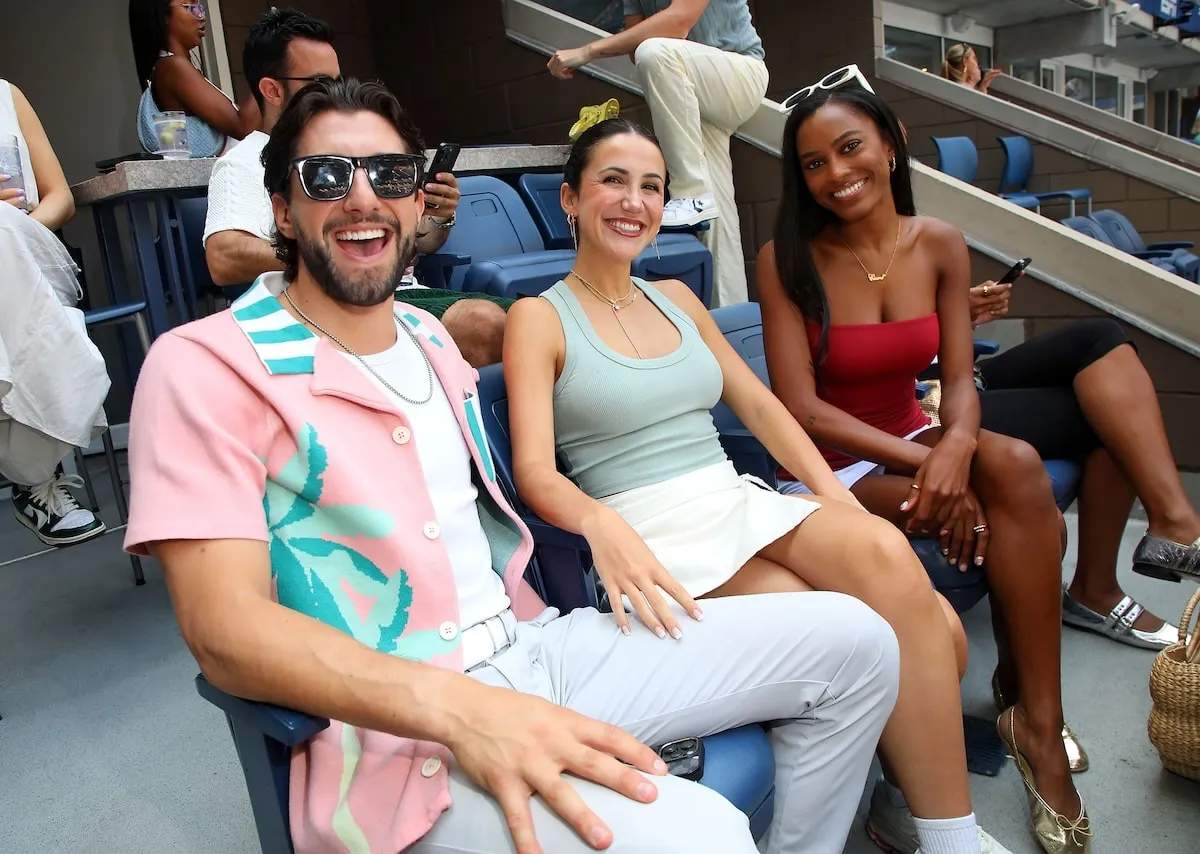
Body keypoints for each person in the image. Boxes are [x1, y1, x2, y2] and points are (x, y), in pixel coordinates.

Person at [125, 76, 901, 854]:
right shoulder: (206, 365)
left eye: (391, 176)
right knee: (706, 837)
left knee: (859, 643)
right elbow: (224, 630)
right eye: (328, 175)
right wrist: (464, 710)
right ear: (282, 208)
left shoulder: (431, 343)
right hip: (395, 735)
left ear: (418, 202)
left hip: (534, 649)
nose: (364, 198)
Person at [506, 117, 1016, 854]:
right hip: (653, 533)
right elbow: (535, 473)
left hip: (735, 498)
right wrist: (599, 525)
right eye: (613, 181)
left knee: (922, 609)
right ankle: (927, 825)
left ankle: (938, 828)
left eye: (651, 186)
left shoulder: (677, 298)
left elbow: (766, 412)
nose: (634, 201)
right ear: (570, 200)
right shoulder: (538, 317)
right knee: (903, 633)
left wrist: (836, 502)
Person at [757, 71, 1091, 854]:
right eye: (814, 164)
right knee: (996, 475)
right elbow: (800, 412)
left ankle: (1040, 724)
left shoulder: (939, 241)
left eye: (850, 149)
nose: (837, 174)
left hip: (917, 438)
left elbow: (957, 378)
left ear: (890, 144)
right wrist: (930, 466)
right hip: (830, 467)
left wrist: (955, 450)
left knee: (1010, 462)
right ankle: (1025, 717)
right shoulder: (786, 259)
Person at [202, 7, 508, 367]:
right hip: (335, 311)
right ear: (271, 90)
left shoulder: (356, 146)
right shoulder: (244, 160)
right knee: (493, 327)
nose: (333, 93)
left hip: (404, 295)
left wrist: (437, 217)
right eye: (319, 83)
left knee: (541, 321)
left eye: (337, 80)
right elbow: (223, 257)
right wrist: (336, 252)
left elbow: (419, 243)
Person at [966, 278, 1200, 639]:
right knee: (1108, 415)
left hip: (952, 373)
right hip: (918, 404)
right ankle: (1099, 587)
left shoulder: (918, 242)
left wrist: (955, 313)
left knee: (1099, 339)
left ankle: (1173, 523)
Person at [548, 0, 768, 307]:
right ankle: (731, 322)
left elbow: (677, 23)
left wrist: (586, 52)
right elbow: (634, 41)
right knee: (717, 218)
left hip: (737, 73)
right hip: (690, 87)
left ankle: (690, 193)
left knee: (654, 53)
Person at [0, 80, 108, 546]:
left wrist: (16, 231)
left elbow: (59, 198)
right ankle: (34, 479)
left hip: (31, 259)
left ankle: (32, 478)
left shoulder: (7, 96)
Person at [128, 0, 259, 157]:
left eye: (199, 7)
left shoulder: (170, 68)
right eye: (190, 7)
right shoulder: (174, 67)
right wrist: (269, 64)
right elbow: (243, 128)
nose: (201, 16)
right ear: (163, 16)